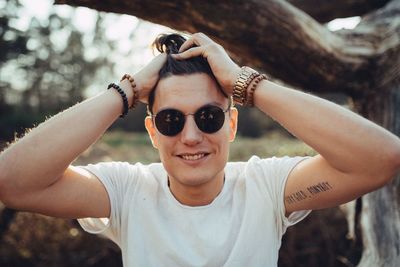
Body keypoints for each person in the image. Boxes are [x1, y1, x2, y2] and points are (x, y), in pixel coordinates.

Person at [0, 32, 399, 266]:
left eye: (208, 117)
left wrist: (247, 84)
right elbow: (13, 181)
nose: (191, 137)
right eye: (171, 121)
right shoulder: (127, 192)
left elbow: (380, 159)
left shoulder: (266, 187)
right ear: (153, 132)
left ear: (232, 123)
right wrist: (126, 91)